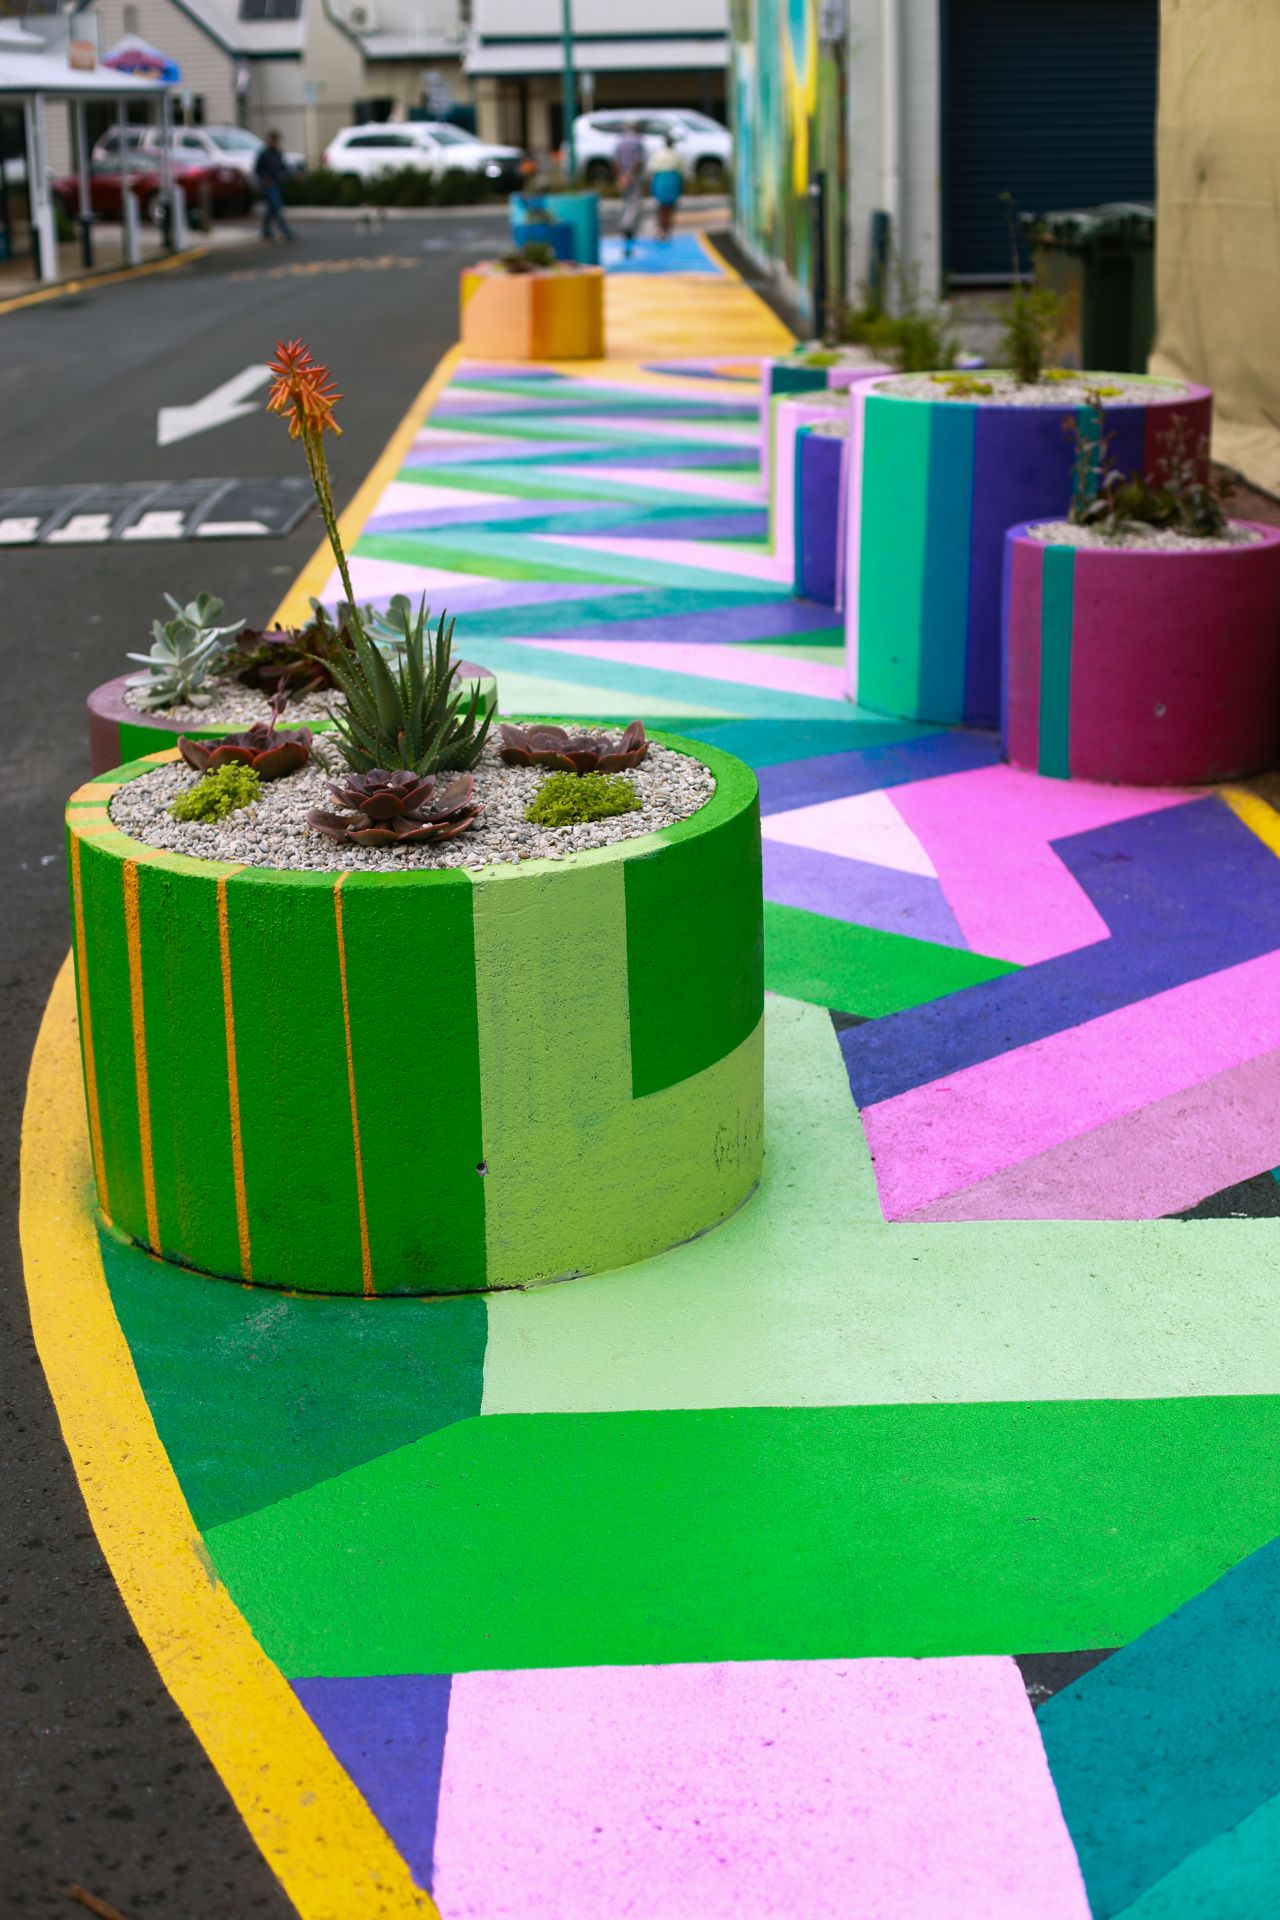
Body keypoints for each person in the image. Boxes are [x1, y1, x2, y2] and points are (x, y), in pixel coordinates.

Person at [255, 130, 295, 244]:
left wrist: (292, 175)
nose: (276, 143)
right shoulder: (263, 154)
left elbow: (283, 167)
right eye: (275, 140)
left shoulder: (278, 153)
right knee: (277, 207)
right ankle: (285, 230)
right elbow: (258, 170)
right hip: (269, 185)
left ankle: (265, 231)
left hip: (278, 184)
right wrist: (264, 179)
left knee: (271, 209)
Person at [614, 119, 646, 257]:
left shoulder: (619, 141)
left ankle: (624, 224)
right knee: (634, 201)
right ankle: (628, 225)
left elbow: (614, 160)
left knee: (625, 201)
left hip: (622, 175)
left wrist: (621, 175)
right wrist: (630, 174)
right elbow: (639, 160)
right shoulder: (638, 141)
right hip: (634, 175)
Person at [649, 135, 684, 243]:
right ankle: (667, 229)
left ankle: (661, 229)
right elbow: (681, 171)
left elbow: (652, 169)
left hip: (660, 179)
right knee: (670, 207)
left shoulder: (658, 154)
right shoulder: (676, 155)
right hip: (672, 179)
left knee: (661, 206)